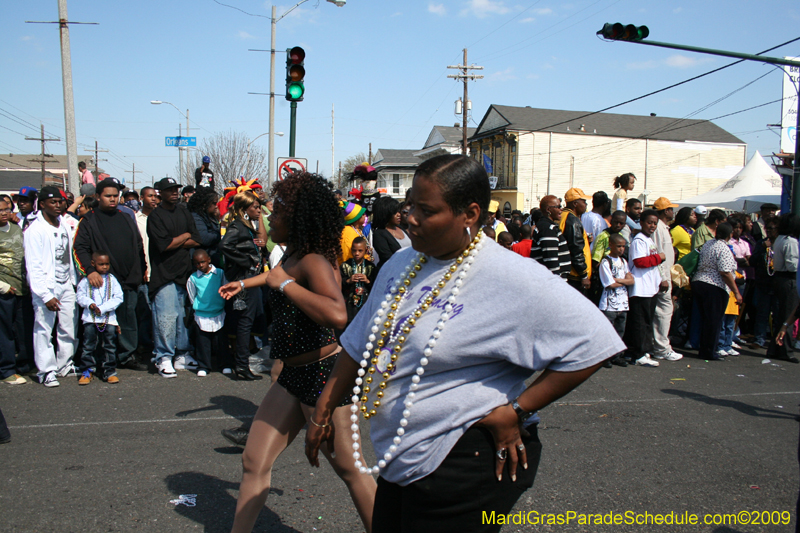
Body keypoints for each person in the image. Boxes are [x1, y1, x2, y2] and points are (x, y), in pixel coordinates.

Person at [305, 154, 625, 532]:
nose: (410, 218)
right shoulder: (400, 264)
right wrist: (323, 410)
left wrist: (517, 409)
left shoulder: (508, 275)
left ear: (470, 214)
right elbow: (360, 344)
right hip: (400, 456)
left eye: (426, 210)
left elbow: (595, 339)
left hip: (463, 457)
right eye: (410, 205)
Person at [219, 171, 377, 533]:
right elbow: (276, 276)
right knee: (254, 461)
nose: (269, 217)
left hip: (325, 376)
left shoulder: (314, 260)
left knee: (351, 471)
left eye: (276, 213)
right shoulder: (293, 254)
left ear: (297, 218)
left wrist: (286, 285)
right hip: (291, 376)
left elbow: (338, 314)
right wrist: (244, 282)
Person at [73, 178, 148, 371]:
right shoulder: (89, 220)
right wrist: (89, 272)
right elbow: (79, 248)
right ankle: (101, 357)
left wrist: (141, 269)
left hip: (128, 279)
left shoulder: (125, 217)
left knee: (128, 319)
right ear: (98, 197)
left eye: (116, 196)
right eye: (108, 196)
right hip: (101, 282)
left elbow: (138, 245)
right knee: (100, 320)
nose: (113, 199)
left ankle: (126, 355)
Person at [148, 177, 202, 378]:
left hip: (183, 272)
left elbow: (196, 238)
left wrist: (178, 240)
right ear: (159, 193)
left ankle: (181, 354)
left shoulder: (183, 211)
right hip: (164, 274)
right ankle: (163, 356)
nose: (174, 192)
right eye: (169, 189)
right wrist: (183, 237)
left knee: (182, 317)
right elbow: (164, 245)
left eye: (176, 189)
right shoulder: (156, 216)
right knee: (166, 317)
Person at [24, 186, 78, 387]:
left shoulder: (63, 223)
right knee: (44, 329)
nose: (57, 205)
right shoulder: (35, 230)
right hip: (47, 286)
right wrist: (45, 295)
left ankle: (64, 363)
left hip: (66, 283)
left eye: (60, 201)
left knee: (68, 326)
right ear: (42, 204)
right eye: (52, 202)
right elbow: (34, 265)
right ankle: (46, 370)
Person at [219, 191, 267, 381]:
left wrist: (255, 246)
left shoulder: (246, 226)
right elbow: (224, 246)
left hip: (250, 276)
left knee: (249, 320)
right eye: (255, 207)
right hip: (244, 277)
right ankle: (241, 366)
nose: (258, 210)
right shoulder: (238, 225)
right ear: (244, 208)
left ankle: (242, 364)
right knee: (245, 321)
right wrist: (246, 261)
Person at [691, 222, 741, 361]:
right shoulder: (723, 248)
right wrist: (736, 291)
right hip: (714, 286)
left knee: (704, 319)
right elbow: (725, 272)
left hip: (699, 281)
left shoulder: (708, 244)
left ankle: (702, 348)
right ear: (730, 234)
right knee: (713, 321)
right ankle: (709, 351)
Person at [76, 251, 124, 385]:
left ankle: (109, 370)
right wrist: (90, 304)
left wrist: (102, 308)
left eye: (106, 264)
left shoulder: (112, 280)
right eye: (101, 264)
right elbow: (80, 296)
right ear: (93, 264)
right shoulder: (86, 280)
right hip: (90, 319)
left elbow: (119, 297)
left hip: (108, 320)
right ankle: (87, 370)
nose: (104, 267)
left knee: (109, 345)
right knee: (88, 345)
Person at [626, 210, 664, 367]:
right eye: (649, 222)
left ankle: (645, 350)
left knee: (647, 320)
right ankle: (637, 353)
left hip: (651, 287)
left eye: (655, 223)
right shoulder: (638, 241)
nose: (652, 226)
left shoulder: (649, 240)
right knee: (639, 322)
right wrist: (659, 257)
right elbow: (640, 262)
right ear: (641, 222)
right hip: (640, 287)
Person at [0, 197, 29, 384]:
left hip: (22, 287)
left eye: (7, 209)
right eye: (0, 210)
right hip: (5, 289)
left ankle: (24, 365)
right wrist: (2, 286)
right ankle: (7, 370)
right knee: (5, 332)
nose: (4, 213)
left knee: (23, 329)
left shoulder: (16, 228)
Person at [186, 249, 228, 377]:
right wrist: (199, 307)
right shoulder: (193, 279)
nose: (200, 266)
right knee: (203, 343)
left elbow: (225, 289)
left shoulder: (220, 274)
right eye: (197, 263)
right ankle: (204, 366)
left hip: (219, 313)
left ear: (209, 260)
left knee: (221, 342)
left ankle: (225, 364)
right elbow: (192, 296)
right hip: (201, 315)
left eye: (203, 262)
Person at [766, 214, 800, 363]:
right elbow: (792, 265)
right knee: (789, 314)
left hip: (779, 277)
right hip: (789, 278)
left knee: (781, 314)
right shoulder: (791, 241)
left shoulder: (779, 239)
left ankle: (774, 348)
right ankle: (786, 350)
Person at [651, 197, 682, 362]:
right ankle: (661, 347)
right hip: (661, 277)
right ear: (665, 211)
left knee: (663, 311)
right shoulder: (658, 228)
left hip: (665, 275)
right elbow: (657, 254)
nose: (673, 211)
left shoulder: (663, 228)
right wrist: (663, 277)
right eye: (670, 208)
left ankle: (660, 345)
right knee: (664, 311)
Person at [599, 234, 634, 367]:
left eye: (623, 246)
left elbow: (631, 280)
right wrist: (624, 281)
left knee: (620, 331)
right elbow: (609, 284)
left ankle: (616, 355)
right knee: (608, 331)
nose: (621, 249)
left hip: (623, 303)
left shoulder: (624, 262)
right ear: (611, 245)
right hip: (609, 304)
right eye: (618, 246)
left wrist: (619, 280)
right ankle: (605, 357)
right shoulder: (606, 262)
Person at [135, 186, 159, 357]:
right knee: (144, 313)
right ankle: (144, 345)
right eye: (149, 196)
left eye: (155, 196)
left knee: (160, 313)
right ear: (141, 198)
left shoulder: (161, 218)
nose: (153, 199)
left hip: (160, 272)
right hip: (144, 272)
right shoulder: (135, 219)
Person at [559, 188, 592, 294]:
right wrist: (583, 275)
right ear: (575, 203)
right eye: (584, 201)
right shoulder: (573, 221)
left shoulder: (563, 216)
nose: (586, 204)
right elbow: (575, 250)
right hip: (575, 276)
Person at [530, 195, 570, 279]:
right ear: (548, 210)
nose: (561, 210)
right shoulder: (548, 229)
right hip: (554, 281)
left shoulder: (547, 226)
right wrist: (556, 282)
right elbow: (551, 260)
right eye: (558, 207)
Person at [340, 237, 377, 327]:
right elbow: (339, 284)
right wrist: (349, 280)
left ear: (365, 250)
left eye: (360, 251)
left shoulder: (370, 266)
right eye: (354, 250)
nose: (357, 253)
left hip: (365, 300)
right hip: (349, 302)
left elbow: (375, 286)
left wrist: (367, 281)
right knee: (350, 324)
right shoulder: (345, 265)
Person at [371, 196, 410, 270]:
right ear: (386, 214)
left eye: (399, 211)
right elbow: (388, 258)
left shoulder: (400, 228)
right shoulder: (379, 234)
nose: (399, 215)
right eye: (394, 213)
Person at [187, 187, 222, 266]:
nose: (216, 206)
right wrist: (218, 234)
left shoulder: (209, 216)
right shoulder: (196, 217)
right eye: (213, 203)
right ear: (204, 204)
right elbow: (204, 238)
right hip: (202, 263)